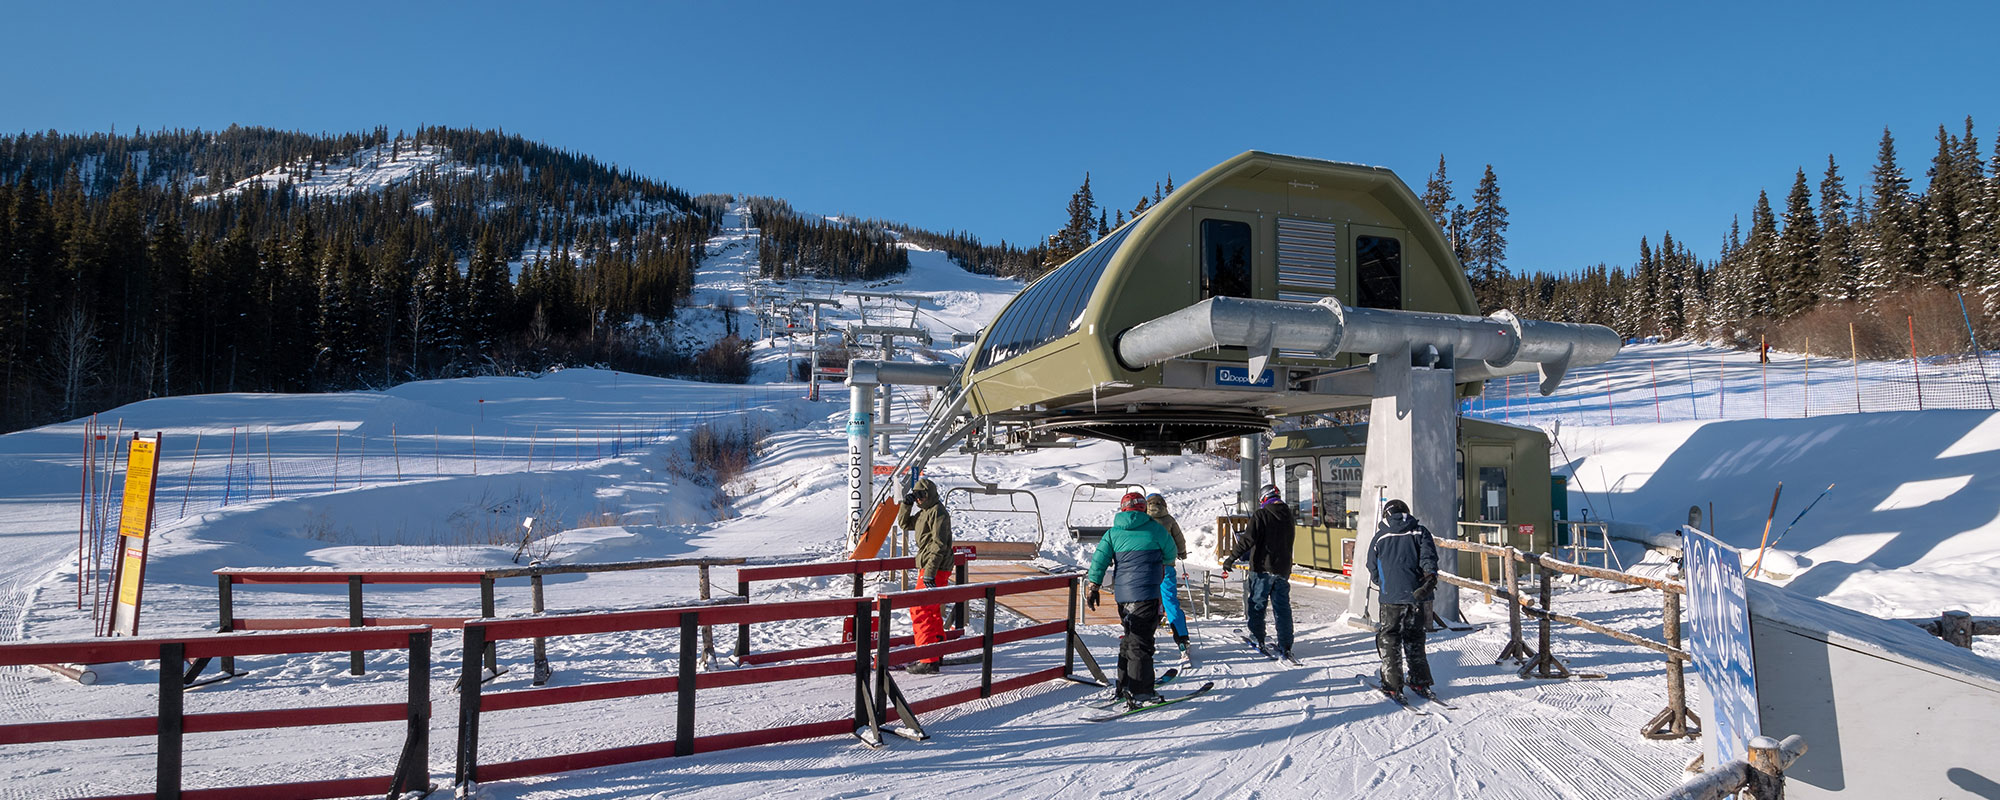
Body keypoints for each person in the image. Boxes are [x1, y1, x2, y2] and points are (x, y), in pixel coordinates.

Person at [1083, 492, 1179, 706]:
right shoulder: (1155, 529)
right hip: (1146, 594)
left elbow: (1099, 561)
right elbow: (1171, 553)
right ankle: (1141, 690)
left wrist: (1094, 587)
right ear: (1144, 509)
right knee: (1141, 643)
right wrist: (1158, 565)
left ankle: (1124, 684)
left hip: (1123, 596)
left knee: (1130, 637)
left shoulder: (1113, 533)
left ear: (1123, 509)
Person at [1366, 498, 1439, 699]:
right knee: (1415, 637)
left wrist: (1384, 583)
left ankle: (1392, 684)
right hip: (1417, 596)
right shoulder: (1420, 532)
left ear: (1387, 515)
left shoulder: (1380, 536)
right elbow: (1429, 559)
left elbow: (1372, 565)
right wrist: (1428, 577)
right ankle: (1419, 681)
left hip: (1391, 596)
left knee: (1390, 637)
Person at [1221, 484, 1295, 659]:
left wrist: (1231, 558)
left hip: (1262, 567)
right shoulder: (1288, 515)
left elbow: (1247, 540)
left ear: (1263, 499)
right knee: (1282, 608)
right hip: (1283, 568)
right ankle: (1285, 643)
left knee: (1257, 604)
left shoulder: (1261, 515)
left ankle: (1257, 637)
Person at [899, 477, 953, 674]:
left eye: (922, 495)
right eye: (917, 496)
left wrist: (929, 573)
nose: (919, 499)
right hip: (930, 567)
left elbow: (939, 544)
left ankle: (928, 658)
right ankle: (936, 653)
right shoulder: (925, 513)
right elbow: (905, 525)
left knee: (920, 609)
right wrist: (907, 504)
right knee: (930, 610)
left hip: (935, 567)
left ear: (930, 494)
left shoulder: (938, 512)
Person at [1144, 492, 1193, 661]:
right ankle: (1182, 640)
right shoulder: (1169, 520)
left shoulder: (1143, 519)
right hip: (1166, 566)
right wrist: (1182, 553)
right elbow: (1179, 540)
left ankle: (1144, 639)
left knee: (1146, 601)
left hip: (1147, 567)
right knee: (1170, 601)